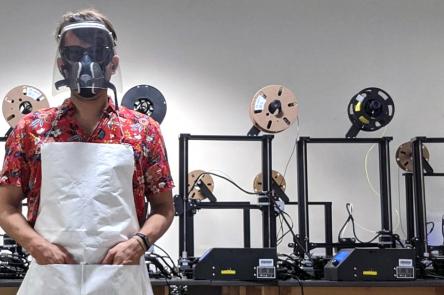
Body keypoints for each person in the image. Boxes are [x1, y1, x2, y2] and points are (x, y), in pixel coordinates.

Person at [0, 9, 174, 295]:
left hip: (120, 277)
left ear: (113, 63)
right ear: (61, 63)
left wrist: (139, 243)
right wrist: (36, 245)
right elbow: (5, 207)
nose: (86, 62)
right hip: (52, 277)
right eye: (74, 53)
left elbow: (164, 209)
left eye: (96, 52)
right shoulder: (33, 129)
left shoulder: (143, 130)